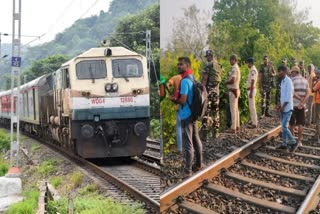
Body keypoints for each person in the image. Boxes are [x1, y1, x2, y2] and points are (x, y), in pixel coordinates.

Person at [169, 57, 203, 177]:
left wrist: (174, 100)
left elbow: (183, 100)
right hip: (193, 114)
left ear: (187, 66)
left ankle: (187, 170)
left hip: (186, 115)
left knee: (188, 143)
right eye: (178, 64)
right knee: (196, 139)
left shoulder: (184, 81)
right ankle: (199, 164)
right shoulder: (192, 78)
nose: (179, 66)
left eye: (181, 65)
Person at [201, 49, 222, 140]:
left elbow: (205, 79)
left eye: (207, 57)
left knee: (206, 110)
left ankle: (205, 134)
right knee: (216, 111)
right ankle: (216, 132)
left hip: (209, 91)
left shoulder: (208, 65)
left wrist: (202, 90)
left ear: (210, 56)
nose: (207, 59)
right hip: (216, 91)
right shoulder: (218, 65)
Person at [277, 65, 298, 152]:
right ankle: (284, 144)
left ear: (284, 72)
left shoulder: (289, 81)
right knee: (283, 127)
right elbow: (283, 95)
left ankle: (294, 142)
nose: (279, 73)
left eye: (280, 71)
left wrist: (283, 106)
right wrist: (279, 104)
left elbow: (289, 96)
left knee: (285, 127)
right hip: (283, 107)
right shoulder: (282, 81)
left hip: (288, 108)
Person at [289, 66, 309, 146]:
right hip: (302, 106)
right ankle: (299, 141)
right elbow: (308, 94)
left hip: (293, 105)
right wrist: (302, 102)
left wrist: (300, 99)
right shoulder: (305, 81)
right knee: (300, 124)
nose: (291, 73)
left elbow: (292, 93)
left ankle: (293, 140)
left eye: (292, 72)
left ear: (295, 72)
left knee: (292, 123)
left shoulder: (292, 80)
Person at [166, 74, 182, 152]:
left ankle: (180, 148)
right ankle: (189, 147)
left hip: (178, 105)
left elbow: (167, 84)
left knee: (179, 127)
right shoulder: (188, 77)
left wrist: (171, 94)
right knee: (188, 127)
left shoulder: (175, 77)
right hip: (187, 106)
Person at [225, 55, 240, 133]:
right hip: (235, 90)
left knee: (233, 110)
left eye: (230, 60)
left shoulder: (234, 68)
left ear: (234, 60)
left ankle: (233, 128)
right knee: (236, 109)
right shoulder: (236, 67)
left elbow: (233, 80)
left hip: (233, 90)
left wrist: (226, 82)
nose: (230, 61)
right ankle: (237, 125)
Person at [246, 58, 258, 128]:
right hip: (251, 89)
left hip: (251, 90)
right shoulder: (252, 69)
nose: (247, 64)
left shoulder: (253, 70)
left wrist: (251, 92)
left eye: (248, 63)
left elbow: (253, 80)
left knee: (252, 107)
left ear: (250, 63)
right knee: (251, 107)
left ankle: (254, 123)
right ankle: (253, 120)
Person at [312, 68, 320, 142]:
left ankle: (317, 136)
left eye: (317, 74)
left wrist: (313, 81)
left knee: (318, 119)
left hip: (318, 102)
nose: (316, 75)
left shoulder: (319, 82)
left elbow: (312, 90)